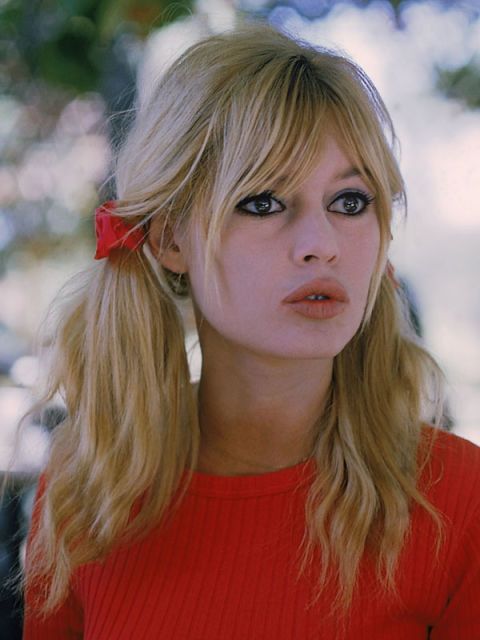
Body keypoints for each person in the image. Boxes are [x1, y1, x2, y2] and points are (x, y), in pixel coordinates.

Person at [21, 24, 480, 639]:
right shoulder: (89, 482)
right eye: (262, 202)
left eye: (349, 202)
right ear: (169, 237)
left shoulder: (459, 498)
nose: (322, 247)